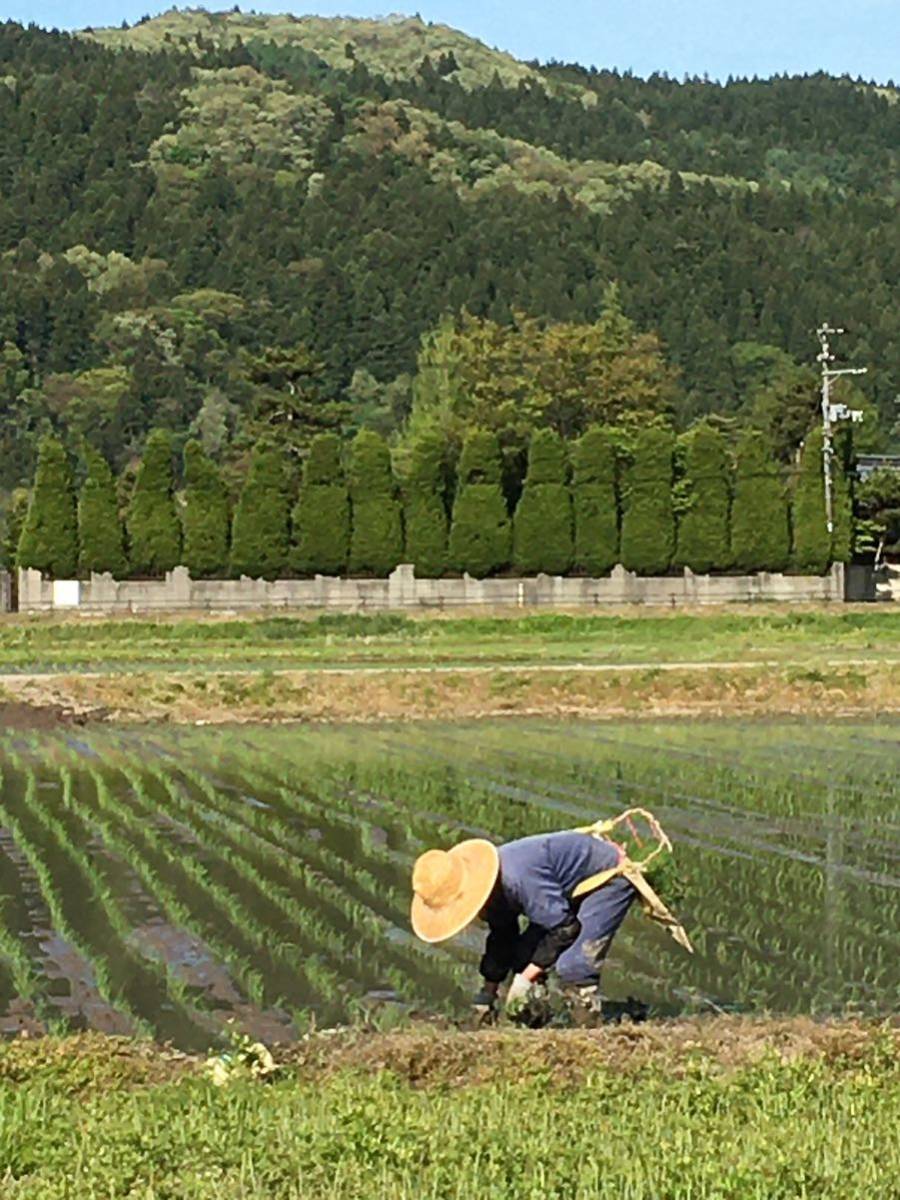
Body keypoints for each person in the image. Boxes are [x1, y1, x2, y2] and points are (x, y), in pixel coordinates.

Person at [410, 813, 691, 1020]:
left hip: (606, 877)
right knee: (522, 954)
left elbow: (565, 927)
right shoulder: (492, 888)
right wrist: (487, 993)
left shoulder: (518, 879)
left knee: (574, 965)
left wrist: (525, 980)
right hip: (564, 887)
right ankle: (537, 1022)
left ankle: (590, 1034)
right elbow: (502, 937)